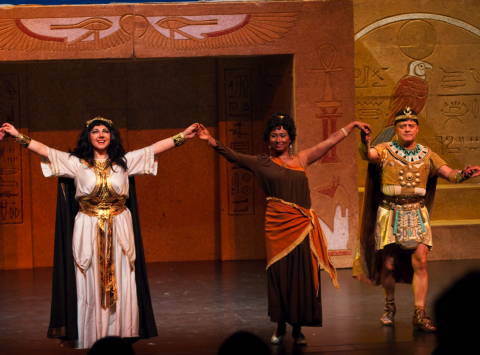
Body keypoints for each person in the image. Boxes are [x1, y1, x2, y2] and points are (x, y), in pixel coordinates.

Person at [0, 118, 198, 348]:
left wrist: (183, 135)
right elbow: (45, 150)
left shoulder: (124, 163)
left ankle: (122, 332)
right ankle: (90, 334)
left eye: (106, 131)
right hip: (88, 227)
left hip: (120, 227)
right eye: (95, 131)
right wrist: (17, 136)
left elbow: (154, 149)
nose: (101, 135)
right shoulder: (76, 163)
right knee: (89, 278)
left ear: (112, 136)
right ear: (88, 136)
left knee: (123, 276)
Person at [197, 113, 370, 345]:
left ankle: (298, 329)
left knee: (302, 276)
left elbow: (328, 142)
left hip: (301, 226)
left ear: (290, 138)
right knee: (280, 275)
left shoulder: (302, 159)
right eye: (274, 135)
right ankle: (279, 325)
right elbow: (233, 156)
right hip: (277, 226)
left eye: (283, 135)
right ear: (268, 139)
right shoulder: (261, 162)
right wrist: (210, 140)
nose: (279, 139)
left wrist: (352, 125)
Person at [352, 107, 480, 332]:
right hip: (390, 212)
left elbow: (450, 173)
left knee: (420, 260)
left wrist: (464, 174)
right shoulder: (384, 149)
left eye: (411, 125)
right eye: (402, 125)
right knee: (389, 265)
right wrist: (365, 141)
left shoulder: (428, 154)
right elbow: (368, 155)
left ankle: (419, 313)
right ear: (397, 129)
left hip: (416, 212)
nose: (407, 129)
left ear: (417, 128)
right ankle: (389, 306)